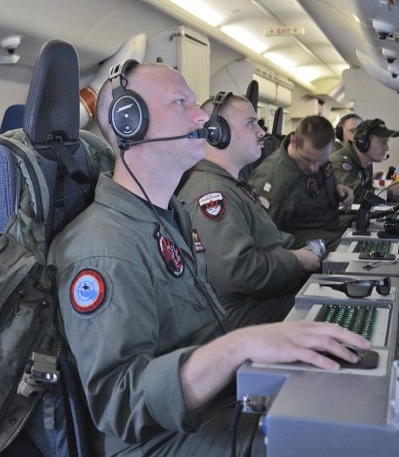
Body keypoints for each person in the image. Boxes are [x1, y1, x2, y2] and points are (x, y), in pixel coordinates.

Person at [48, 62, 370, 457]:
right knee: (332, 441)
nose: (201, 115)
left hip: (215, 406)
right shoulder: (103, 247)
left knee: (344, 405)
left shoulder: (168, 217)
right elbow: (123, 404)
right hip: (160, 440)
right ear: (130, 122)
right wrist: (239, 346)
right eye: (180, 102)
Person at [178, 92, 321, 330]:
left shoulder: (229, 185)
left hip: (262, 302)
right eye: (250, 123)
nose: (262, 132)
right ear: (217, 133)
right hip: (244, 317)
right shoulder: (212, 194)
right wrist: (297, 260)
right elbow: (237, 272)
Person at [248, 115, 354, 250]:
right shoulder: (275, 182)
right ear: (293, 141)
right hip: (296, 238)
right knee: (348, 250)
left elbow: (322, 176)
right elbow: (262, 237)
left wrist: (338, 186)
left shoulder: (314, 152)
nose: (314, 168)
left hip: (328, 224)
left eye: (321, 161)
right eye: (308, 160)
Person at [330, 118, 399, 203]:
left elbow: (368, 191)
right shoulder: (340, 162)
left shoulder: (366, 162)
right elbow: (357, 196)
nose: (387, 148)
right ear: (363, 143)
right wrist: (389, 193)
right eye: (382, 142)